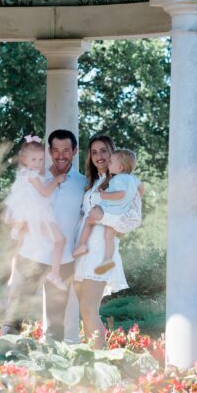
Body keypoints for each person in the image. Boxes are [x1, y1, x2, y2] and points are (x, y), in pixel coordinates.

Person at [0, 129, 86, 339]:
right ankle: (1, 365)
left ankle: (48, 369)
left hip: (63, 261)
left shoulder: (83, 184)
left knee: (56, 326)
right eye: (55, 150)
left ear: (75, 151)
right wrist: (21, 223)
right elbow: (9, 213)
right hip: (30, 256)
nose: (61, 155)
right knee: (13, 318)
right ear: (49, 151)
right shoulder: (35, 176)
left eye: (66, 150)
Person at [73, 134, 129, 347]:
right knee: (84, 311)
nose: (99, 156)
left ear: (112, 152)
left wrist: (103, 217)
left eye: (104, 150)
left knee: (89, 308)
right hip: (83, 247)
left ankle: (101, 361)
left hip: (100, 250)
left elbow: (127, 220)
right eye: (94, 152)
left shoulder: (118, 182)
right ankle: (92, 358)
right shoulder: (92, 183)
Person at [4, 135, 67, 291]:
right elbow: (45, 192)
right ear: (24, 159)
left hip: (27, 214)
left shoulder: (22, 175)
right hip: (36, 215)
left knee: (19, 244)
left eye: (40, 160)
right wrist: (57, 180)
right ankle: (55, 273)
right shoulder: (32, 176)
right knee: (60, 240)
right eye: (34, 160)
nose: (38, 164)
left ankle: (13, 275)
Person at [73, 147, 141, 275]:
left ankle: (82, 245)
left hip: (111, 211)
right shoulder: (133, 179)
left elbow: (120, 194)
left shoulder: (119, 179)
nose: (108, 164)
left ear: (120, 167)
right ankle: (107, 260)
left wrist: (104, 195)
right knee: (108, 237)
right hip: (120, 214)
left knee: (88, 220)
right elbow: (137, 192)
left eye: (111, 162)